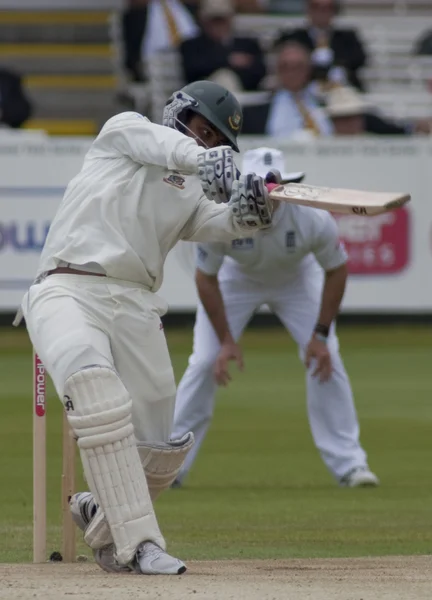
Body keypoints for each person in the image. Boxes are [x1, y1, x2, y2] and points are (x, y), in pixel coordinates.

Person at [16, 81, 275, 576]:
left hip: (136, 304)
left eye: (218, 142)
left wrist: (251, 215)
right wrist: (204, 160)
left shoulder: (192, 188)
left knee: (157, 450)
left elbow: (219, 222)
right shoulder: (126, 132)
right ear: (179, 116)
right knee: (96, 392)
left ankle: (101, 517)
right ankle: (142, 545)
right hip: (68, 288)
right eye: (203, 132)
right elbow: (169, 149)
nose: (207, 145)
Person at [171, 146, 379, 490]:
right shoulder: (222, 215)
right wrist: (225, 341)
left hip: (297, 279)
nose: (267, 194)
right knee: (205, 360)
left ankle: (351, 466)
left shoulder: (312, 218)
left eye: (272, 185)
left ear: (284, 184)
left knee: (327, 359)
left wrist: (321, 335)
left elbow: (337, 270)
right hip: (236, 280)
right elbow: (206, 278)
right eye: (258, 184)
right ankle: (173, 466)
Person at [275, 0, 368, 91]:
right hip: (303, 92)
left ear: (334, 11)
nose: (321, 12)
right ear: (308, 9)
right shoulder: (292, 36)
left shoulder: (348, 38)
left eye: (327, 8)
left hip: (342, 90)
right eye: (316, 7)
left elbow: (359, 60)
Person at [180, 0, 266, 92]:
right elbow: (192, 71)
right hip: (203, 96)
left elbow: (259, 72)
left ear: (230, 19)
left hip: (245, 94)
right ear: (203, 21)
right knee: (224, 78)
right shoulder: (191, 45)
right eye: (213, 20)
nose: (218, 25)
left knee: (228, 78)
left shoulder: (247, 44)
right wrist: (229, 60)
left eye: (222, 20)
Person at [266, 40, 333, 138]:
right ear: (277, 70)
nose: (292, 73)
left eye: (298, 67)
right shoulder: (260, 111)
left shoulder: (326, 102)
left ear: (308, 69)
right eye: (285, 67)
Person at [325, 85, 432, 136]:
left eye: (355, 117)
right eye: (345, 118)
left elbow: (393, 130)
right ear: (334, 121)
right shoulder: (319, 141)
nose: (352, 123)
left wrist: (415, 126)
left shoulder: (375, 142)